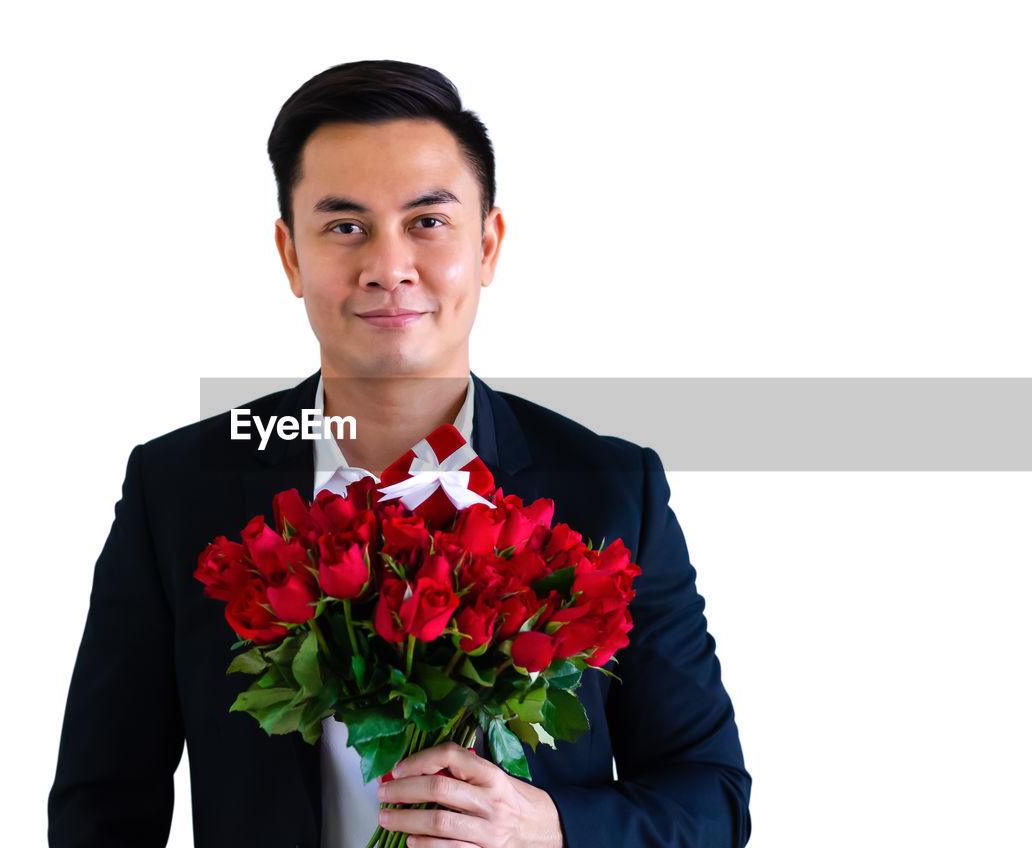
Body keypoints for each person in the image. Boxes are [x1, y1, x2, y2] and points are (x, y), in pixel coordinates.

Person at [48, 60, 751, 848]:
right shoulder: (178, 488)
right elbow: (102, 805)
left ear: (488, 245)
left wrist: (550, 827)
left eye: (428, 221)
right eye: (345, 227)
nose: (388, 268)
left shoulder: (615, 490)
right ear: (290, 255)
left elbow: (712, 799)